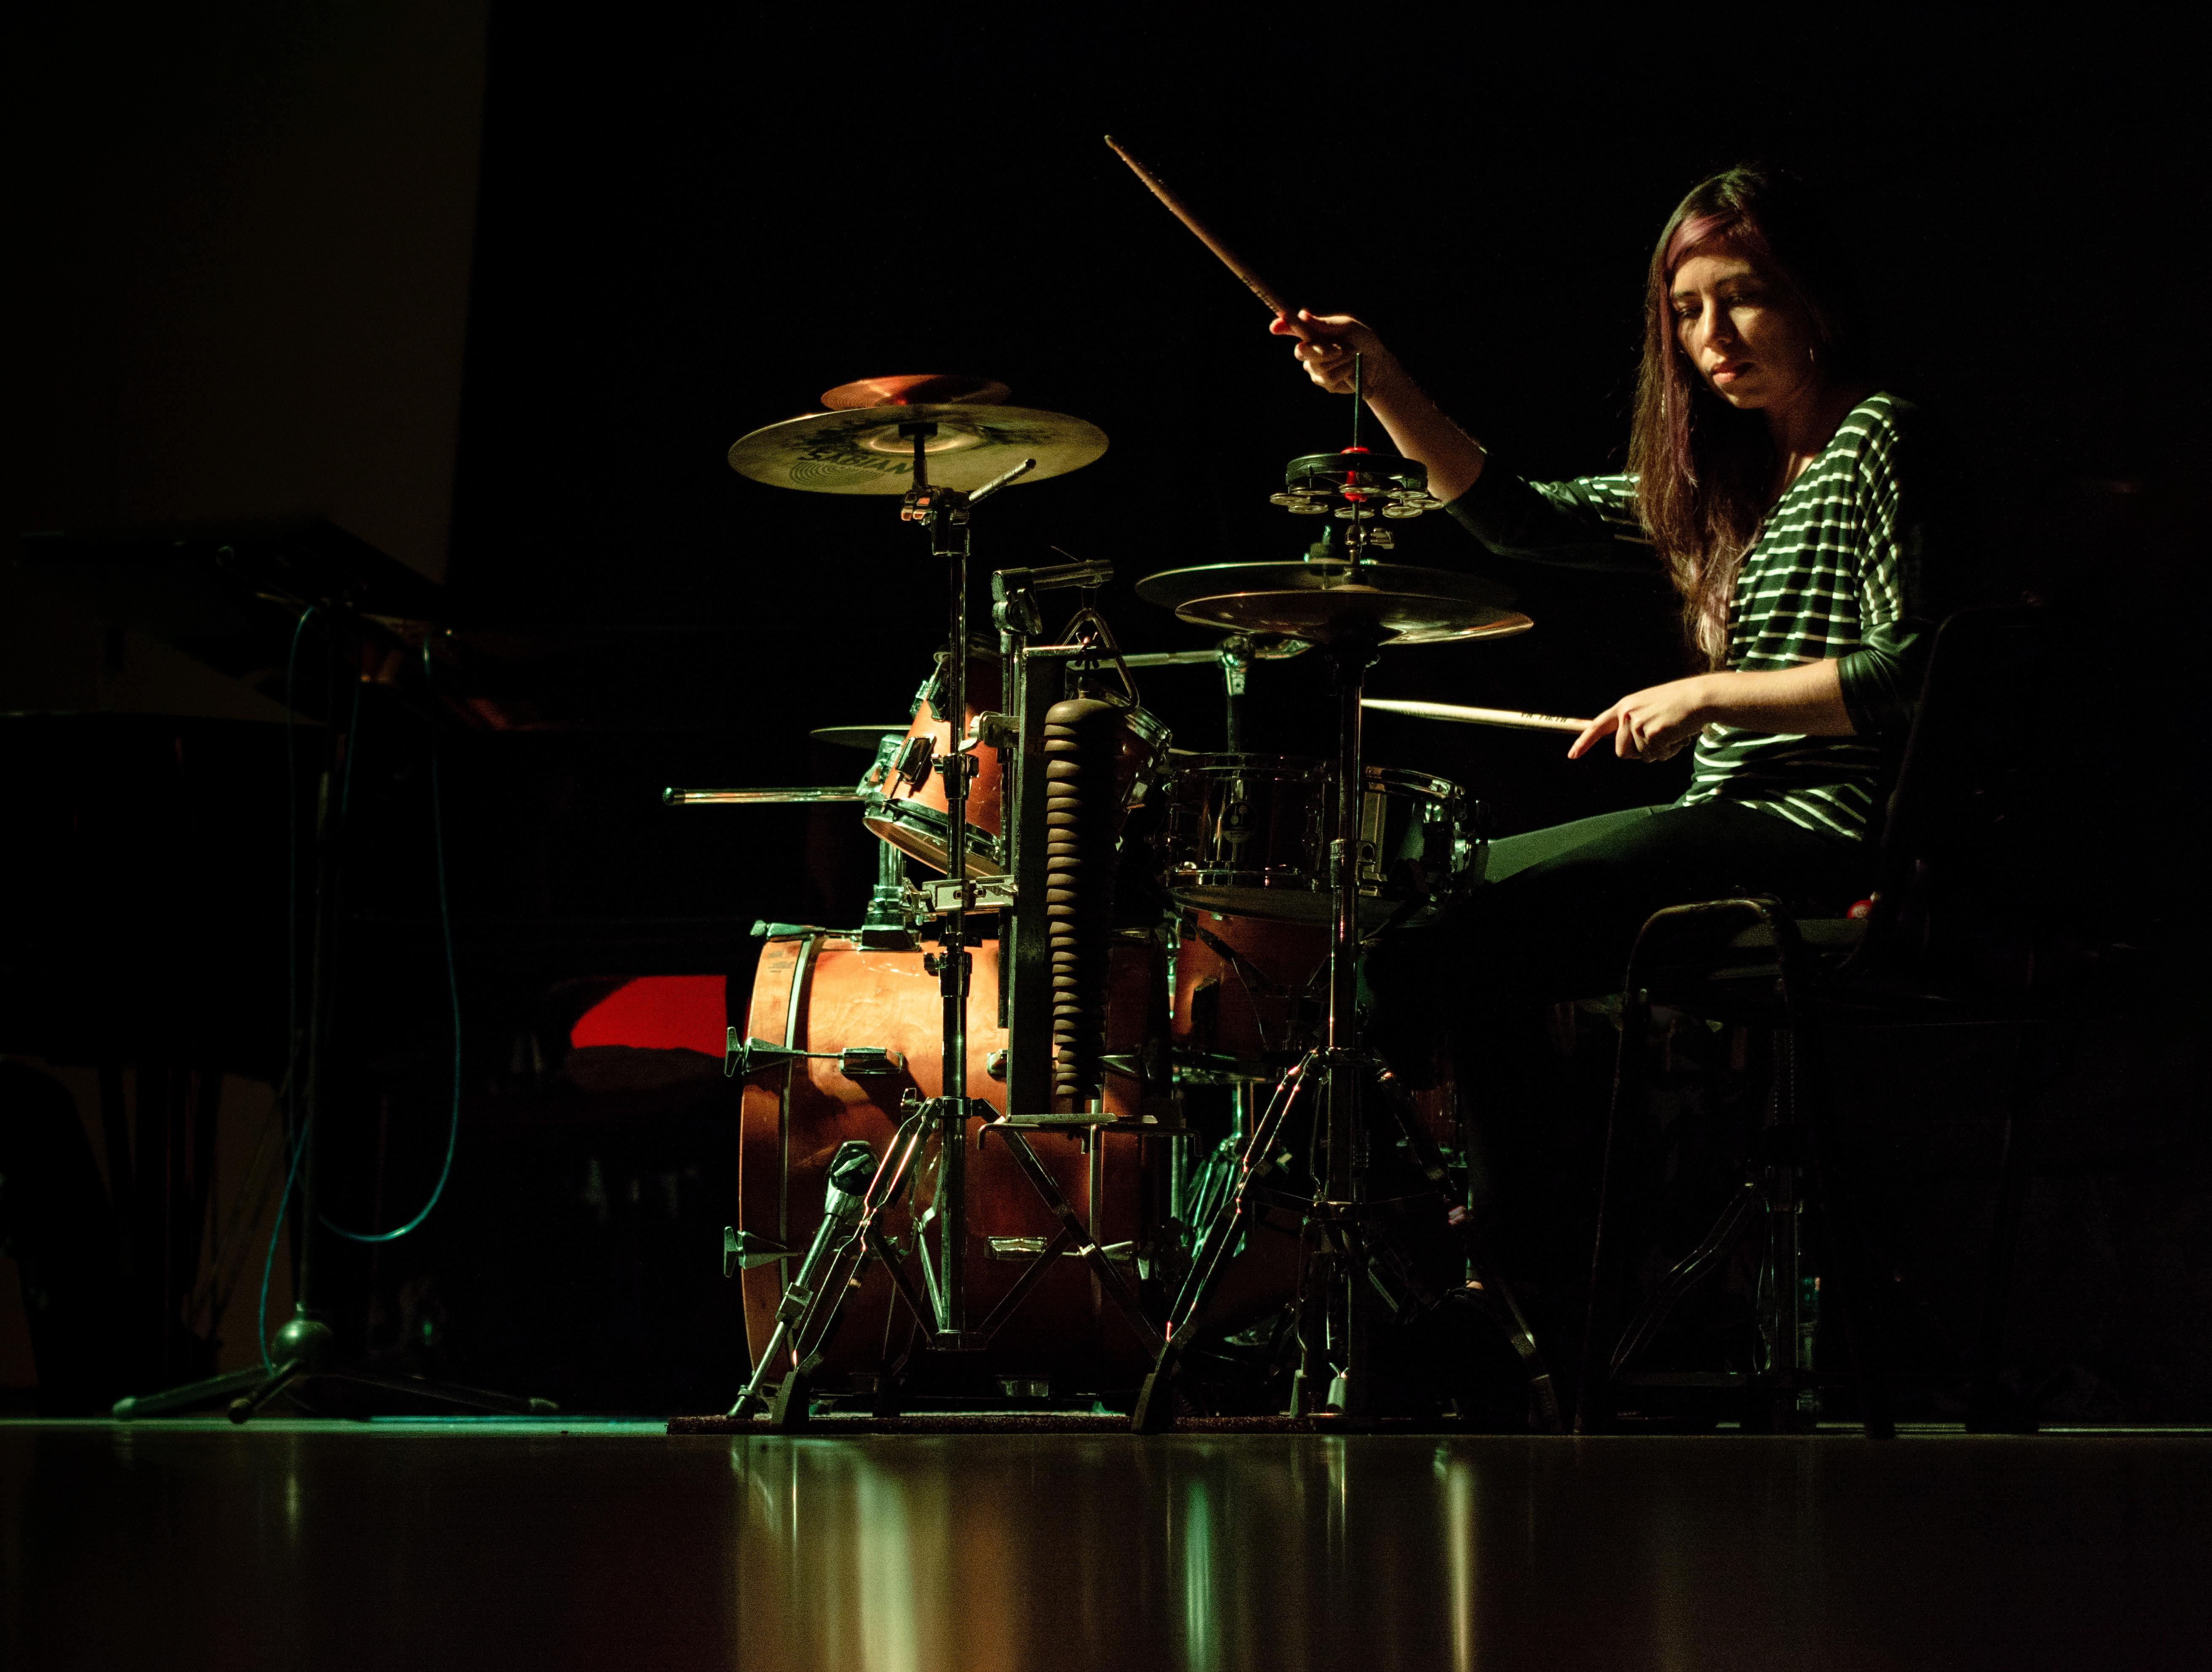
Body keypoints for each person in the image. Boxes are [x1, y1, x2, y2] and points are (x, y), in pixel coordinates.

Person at [1274, 164, 1966, 1078]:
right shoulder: (1730, 484)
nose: (1712, 335)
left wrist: (1705, 698)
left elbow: (1913, 676)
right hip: (1724, 816)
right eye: (1686, 311)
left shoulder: (1882, 436)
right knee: (1428, 902)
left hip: (1823, 833)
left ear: (1816, 300)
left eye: (1743, 298)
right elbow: (1517, 520)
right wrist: (1381, 379)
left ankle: (1525, 1173)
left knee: (1452, 946)